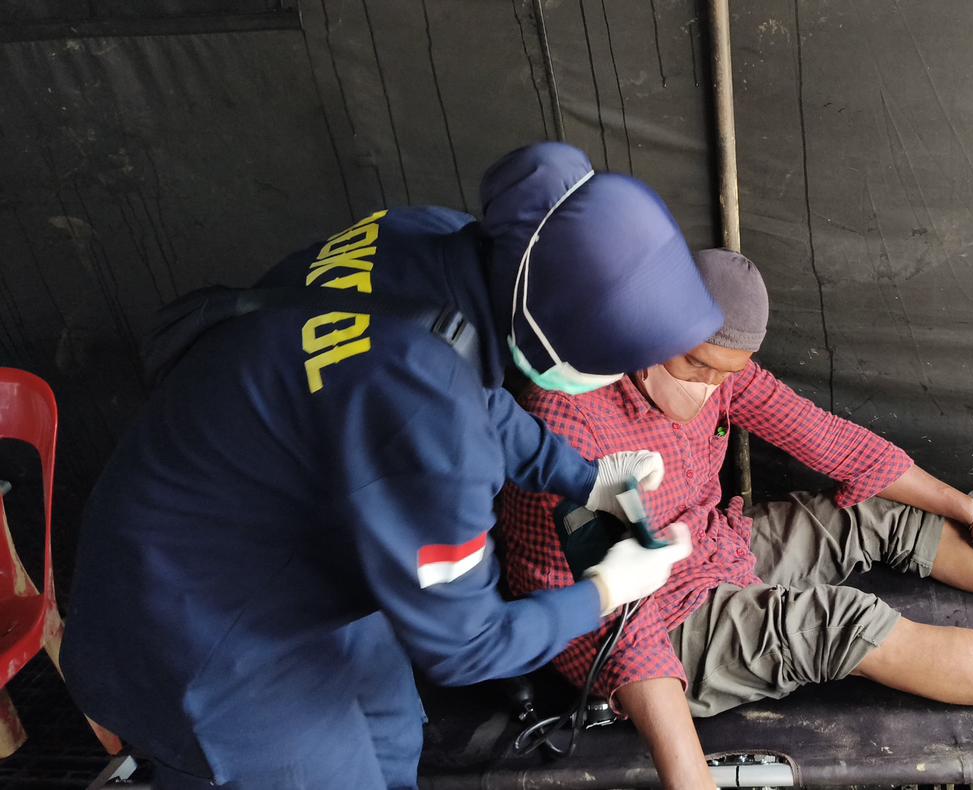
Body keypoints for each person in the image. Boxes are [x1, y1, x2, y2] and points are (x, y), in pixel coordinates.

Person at [60, 143, 719, 789]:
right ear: (556, 340)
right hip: (202, 632)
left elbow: (470, 382)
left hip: (269, 532)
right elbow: (469, 644)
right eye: (617, 366)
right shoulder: (429, 421)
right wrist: (603, 590)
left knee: (395, 736)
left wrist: (585, 477)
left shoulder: (435, 239)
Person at [499, 248, 973, 790]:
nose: (710, 391)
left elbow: (830, 441)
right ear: (649, 329)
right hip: (630, 625)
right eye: (695, 367)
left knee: (875, 508)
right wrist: (689, 778)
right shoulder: (570, 423)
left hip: (702, 545)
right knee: (842, 623)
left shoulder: (716, 368)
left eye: (727, 374)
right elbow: (625, 627)